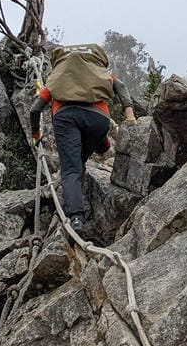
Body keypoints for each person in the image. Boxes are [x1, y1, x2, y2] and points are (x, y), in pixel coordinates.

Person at [30, 43, 135, 228]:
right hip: (98, 119)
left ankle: (76, 217)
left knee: (71, 169)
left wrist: (36, 134)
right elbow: (121, 86)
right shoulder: (98, 72)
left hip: (66, 118)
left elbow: (35, 109)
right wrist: (130, 115)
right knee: (80, 161)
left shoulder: (57, 78)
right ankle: (102, 143)